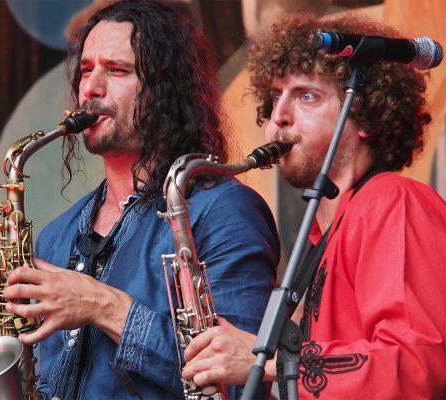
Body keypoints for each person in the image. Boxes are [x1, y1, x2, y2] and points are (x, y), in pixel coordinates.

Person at [2, 1, 280, 399]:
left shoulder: (223, 212)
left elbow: (239, 386)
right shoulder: (55, 237)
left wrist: (104, 306)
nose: (91, 88)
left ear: (166, 90)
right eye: (85, 70)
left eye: (116, 71)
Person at [181, 13, 446, 399]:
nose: (278, 118)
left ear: (366, 115)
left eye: (306, 95)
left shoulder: (394, 202)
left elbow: (418, 364)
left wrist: (265, 367)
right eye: (275, 97)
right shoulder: (327, 232)